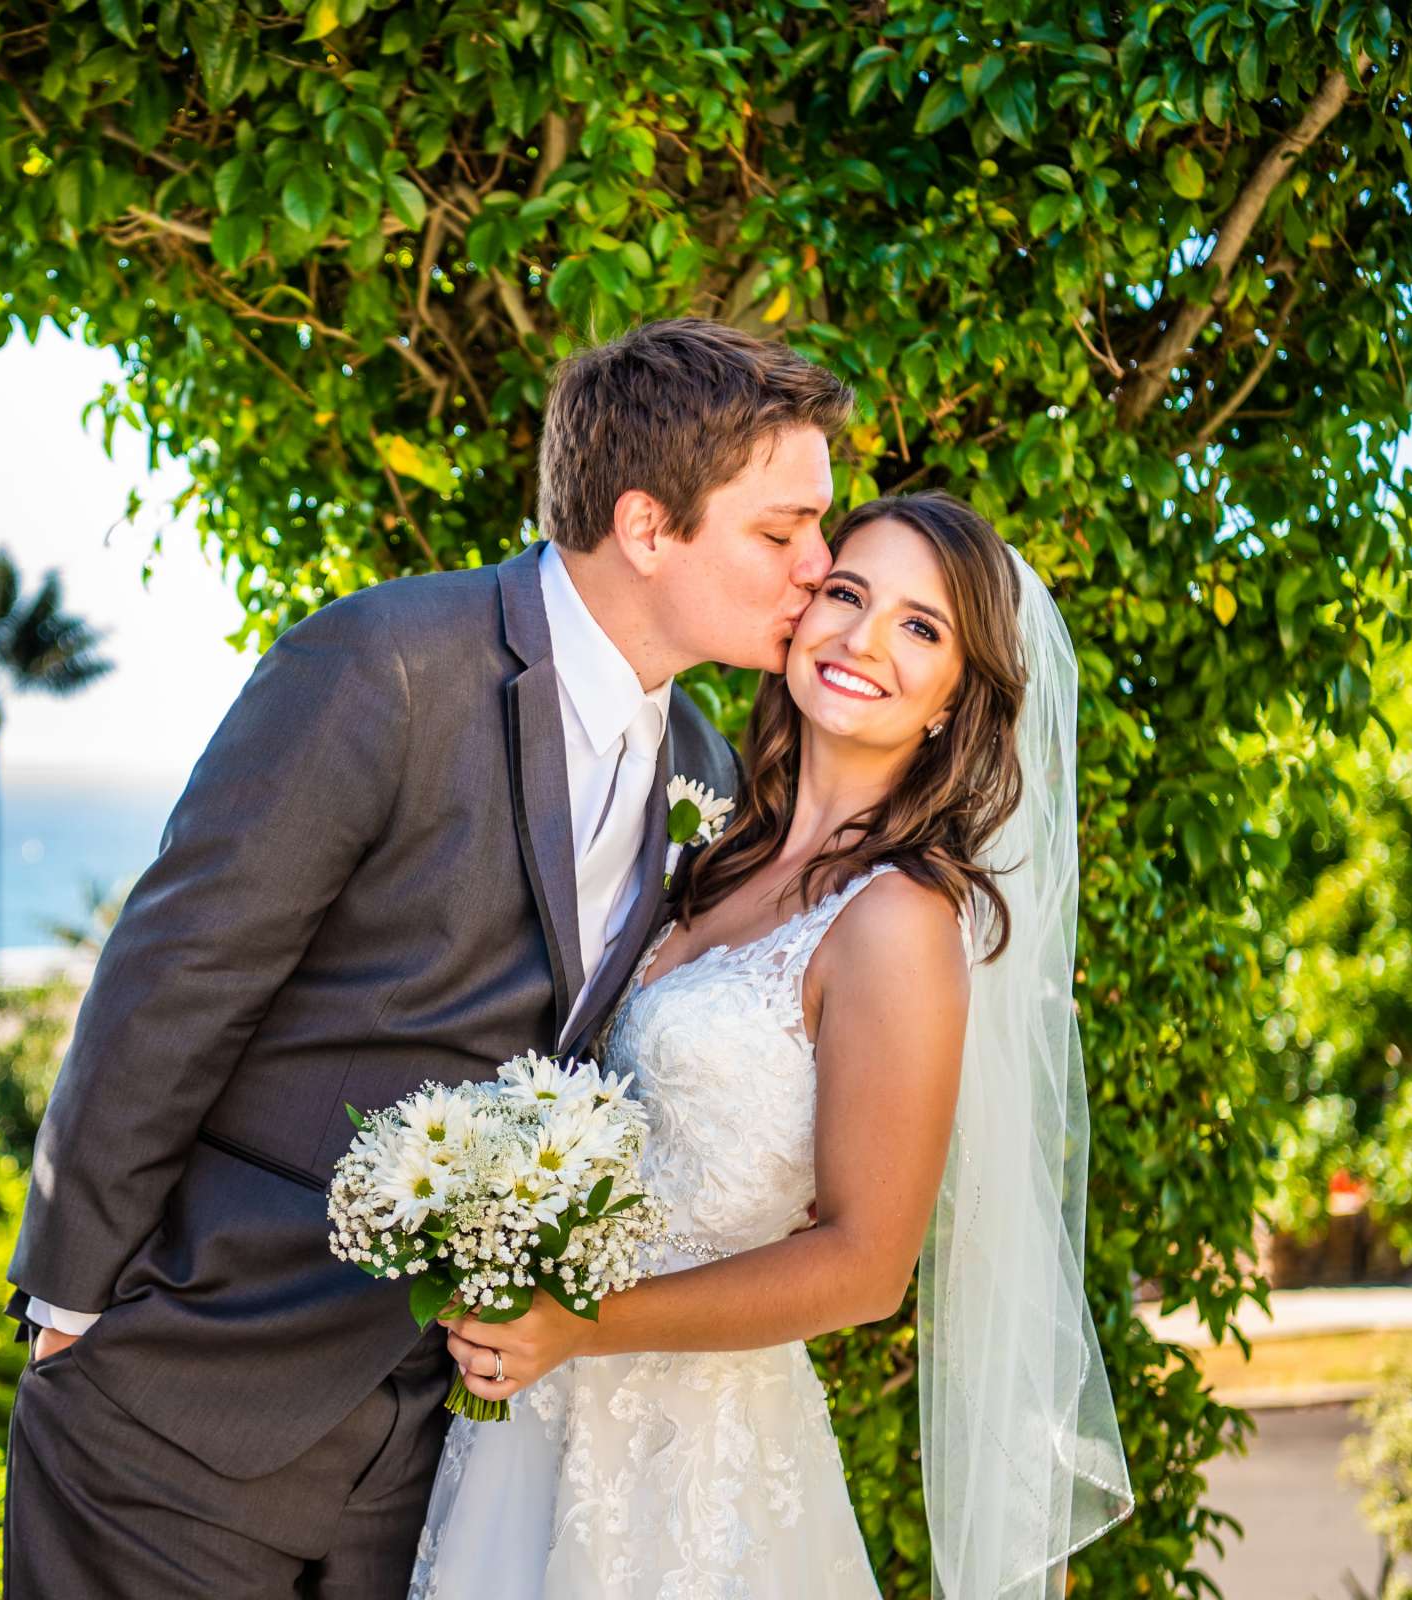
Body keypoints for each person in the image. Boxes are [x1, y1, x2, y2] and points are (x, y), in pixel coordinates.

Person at [1, 318, 853, 1598]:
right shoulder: (385, 664)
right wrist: (69, 1305)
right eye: (783, 531)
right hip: (186, 1404)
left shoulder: (706, 767)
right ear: (647, 525)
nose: (818, 568)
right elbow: (177, 974)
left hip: (439, 1464)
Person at [408, 491, 1135, 1599]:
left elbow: (865, 1267)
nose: (864, 639)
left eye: (921, 628)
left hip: (698, 1463)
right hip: (539, 1413)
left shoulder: (899, 923)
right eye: (848, 593)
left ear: (954, 699)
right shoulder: (706, 853)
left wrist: (576, 1324)